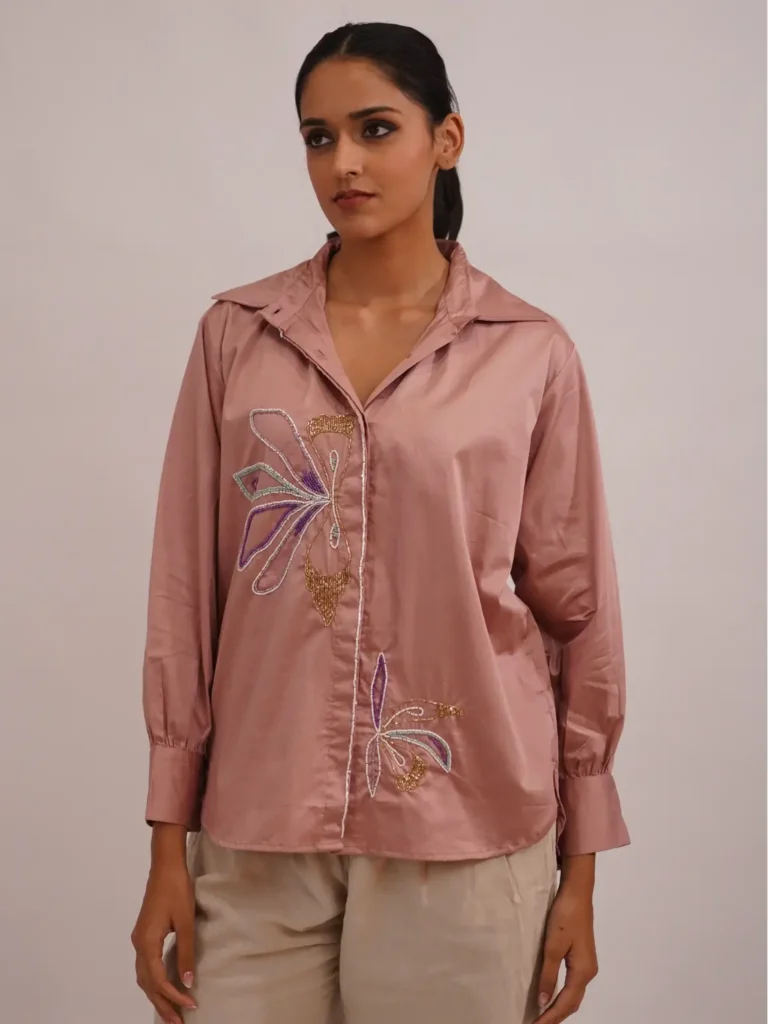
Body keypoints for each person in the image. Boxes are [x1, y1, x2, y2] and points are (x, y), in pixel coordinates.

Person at [131, 20, 630, 1024]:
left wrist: (580, 870)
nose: (343, 163)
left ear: (447, 138)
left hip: (468, 830)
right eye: (318, 138)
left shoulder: (529, 352)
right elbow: (187, 594)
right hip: (259, 827)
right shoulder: (237, 337)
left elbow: (576, 611)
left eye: (375, 128)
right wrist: (166, 844)